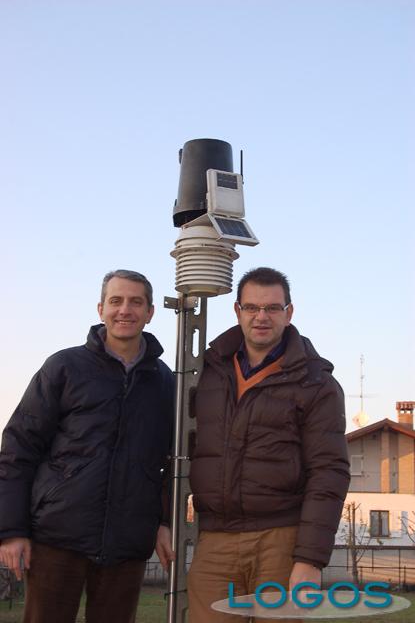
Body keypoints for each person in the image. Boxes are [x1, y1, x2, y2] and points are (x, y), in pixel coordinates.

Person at [0, 269, 175, 623]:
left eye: (135, 302)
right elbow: (19, 448)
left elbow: (172, 461)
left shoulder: (165, 380)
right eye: (116, 301)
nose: (125, 310)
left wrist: (164, 520)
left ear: (150, 312)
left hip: (128, 541)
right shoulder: (64, 367)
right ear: (100, 309)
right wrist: (12, 531)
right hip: (57, 536)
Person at [188, 267, 351, 622]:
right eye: (252, 307)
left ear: (289, 313)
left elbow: (329, 472)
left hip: (281, 538)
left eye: (273, 308)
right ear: (237, 311)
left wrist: (309, 560)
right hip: (215, 538)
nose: (261, 316)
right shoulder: (208, 370)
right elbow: (178, 449)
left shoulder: (315, 382)